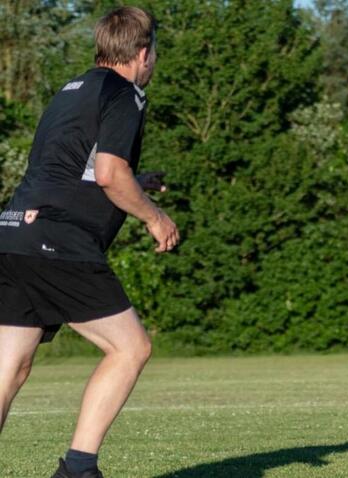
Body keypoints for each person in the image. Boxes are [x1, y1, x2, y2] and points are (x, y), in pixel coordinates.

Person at [0, 6, 179, 477]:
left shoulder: (69, 90)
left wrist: (137, 181)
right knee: (131, 348)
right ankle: (78, 470)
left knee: (10, 366)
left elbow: (73, 167)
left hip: (14, 231)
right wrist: (155, 217)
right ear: (143, 54)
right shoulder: (127, 93)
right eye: (154, 52)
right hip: (59, 240)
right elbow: (107, 174)